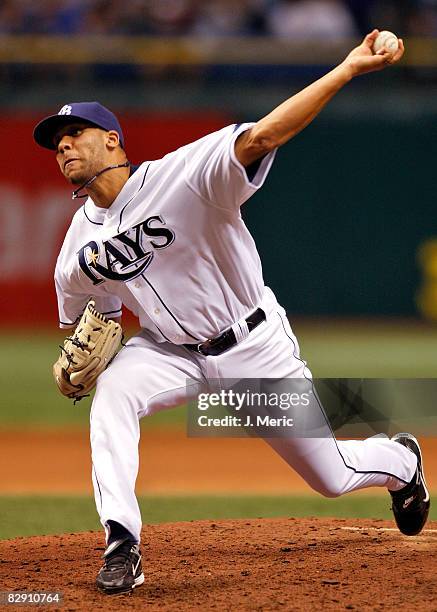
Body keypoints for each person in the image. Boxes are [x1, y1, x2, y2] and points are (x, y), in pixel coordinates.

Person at [33, 30, 429, 596]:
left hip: (251, 347)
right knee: (113, 395)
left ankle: (399, 460)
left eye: (76, 133)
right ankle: (122, 543)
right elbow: (89, 317)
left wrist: (346, 68)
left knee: (330, 477)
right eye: (56, 142)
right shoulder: (75, 247)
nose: (64, 146)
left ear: (115, 142)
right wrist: (78, 355)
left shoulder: (185, 176)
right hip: (169, 352)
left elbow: (265, 133)